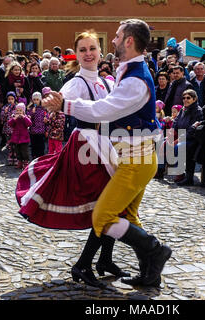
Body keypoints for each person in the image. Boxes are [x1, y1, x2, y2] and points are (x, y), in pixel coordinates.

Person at [41, 19, 172, 287]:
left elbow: (105, 110)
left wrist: (64, 105)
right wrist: (53, 101)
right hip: (113, 152)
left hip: (132, 157)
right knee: (125, 214)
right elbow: (65, 95)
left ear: (129, 41)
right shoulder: (126, 73)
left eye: (115, 36)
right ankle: (149, 270)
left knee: (102, 216)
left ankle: (155, 251)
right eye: (83, 49)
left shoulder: (132, 78)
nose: (111, 41)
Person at [16, 31, 127, 288]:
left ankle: (104, 260)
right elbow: (58, 99)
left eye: (92, 48)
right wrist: (52, 102)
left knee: (114, 204)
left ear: (100, 52)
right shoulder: (77, 82)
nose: (88, 53)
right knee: (107, 206)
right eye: (83, 50)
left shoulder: (107, 82)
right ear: (76, 55)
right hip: (86, 148)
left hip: (107, 146)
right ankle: (84, 264)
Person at [169, 89, 203, 186]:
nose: (185, 100)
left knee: (177, 147)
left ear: (194, 99)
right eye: (184, 98)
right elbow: (176, 122)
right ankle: (160, 170)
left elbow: (192, 130)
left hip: (191, 139)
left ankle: (183, 175)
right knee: (163, 143)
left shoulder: (197, 111)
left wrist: (179, 139)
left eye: (188, 98)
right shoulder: (183, 109)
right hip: (180, 135)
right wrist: (171, 132)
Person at [8, 103, 32, 169]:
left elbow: (29, 123)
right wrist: (14, 119)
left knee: (24, 151)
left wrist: (24, 117)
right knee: (17, 151)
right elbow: (9, 124)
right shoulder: (14, 117)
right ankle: (20, 162)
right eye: (17, 110)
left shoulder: (26, 117)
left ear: (23, 111)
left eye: (20, 111)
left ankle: (26, 162)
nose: (18, 112)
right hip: (16, 138)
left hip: (24, 138)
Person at [27, 92, 47, 159]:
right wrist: (32, 113)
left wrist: (46, 128)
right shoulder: (30, 109)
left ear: (40, 100)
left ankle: (40, 157)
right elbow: (28, 119)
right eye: (34, 99)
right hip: (33, 131)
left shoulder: (43, 109)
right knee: (33, 145)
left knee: (41, 145)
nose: (35, 101)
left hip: (41, 130)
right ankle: (34, 156)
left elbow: (46, 118)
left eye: (37, 99)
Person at [1, 91, 18, 166]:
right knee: (9, 144)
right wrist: (4, 112)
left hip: (16, 130)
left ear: (14, 99)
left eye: (12, 99)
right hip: (8, 129)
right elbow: (2, 118)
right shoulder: (5, 107)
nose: (10, 100)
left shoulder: (18, 107)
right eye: (9, 99)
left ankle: (17, 158)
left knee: (16, 144)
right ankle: (11, 157)